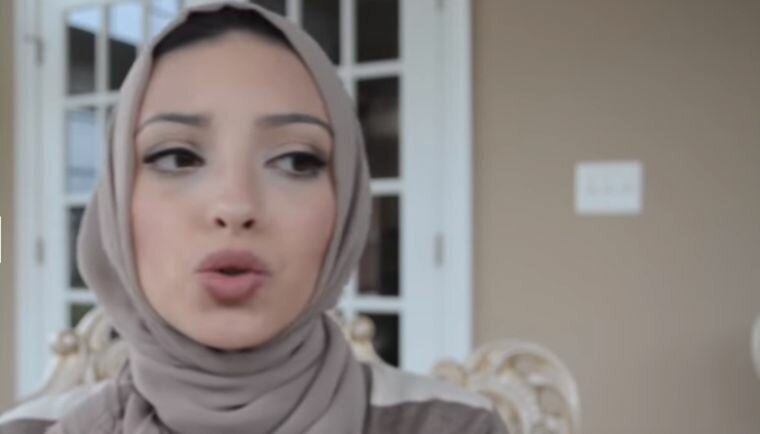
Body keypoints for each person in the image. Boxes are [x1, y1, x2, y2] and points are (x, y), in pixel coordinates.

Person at [0, 2, 508, 433]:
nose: (235, 206)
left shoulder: (454, 424)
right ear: (113, 206)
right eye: (176, 156)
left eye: (297, 161)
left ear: (347, 206)